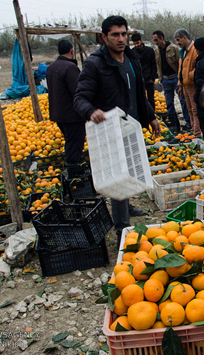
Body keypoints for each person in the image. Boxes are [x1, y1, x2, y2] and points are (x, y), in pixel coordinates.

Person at [74, 15, 161, 242]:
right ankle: (122, 228)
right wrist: (91, 111)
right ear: (104, 37)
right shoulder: (95, 64)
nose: (121, 39)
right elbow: (80, 98)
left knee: (131, 168)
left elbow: (140, 95)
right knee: (118, 175)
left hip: (130, 125)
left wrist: (151, 117)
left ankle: (126, 205)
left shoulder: (133, 59)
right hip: (110, 128)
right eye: (115, 35)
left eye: (124, 34)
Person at [45, 40, 85, 170]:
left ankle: (72, 168)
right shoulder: (70, 67)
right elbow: (77, 91)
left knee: (70, 141)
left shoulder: (51, 67)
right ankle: (73, 173)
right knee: (74, 143)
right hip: (71, 115)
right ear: (72, 51)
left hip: (58, 114)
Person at [153, 30, 181, 133]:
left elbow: (180, 63)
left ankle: (188, 123)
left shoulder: (173, 48)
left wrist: (180, 78)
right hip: (165, 79)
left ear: (162, 38)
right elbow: (157, 65)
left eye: (156, 40)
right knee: (168, 102)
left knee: (182, 100)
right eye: (154, 40)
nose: (155, 42)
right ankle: (173, 122)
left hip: (175, 77)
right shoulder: (156, 51)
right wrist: (160, 78)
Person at [174, 29, 200, 138]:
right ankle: (193, 129)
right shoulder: (183, 51)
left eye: (178, 40)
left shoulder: (193, 50)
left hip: (191, 85)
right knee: (189, 109)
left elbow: (197, 67)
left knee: (195, 109)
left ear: (185, 37)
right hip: (185, 85)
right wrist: (180, 84)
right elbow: (181, 69)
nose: (177, 43)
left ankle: (197, 133)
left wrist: (188, 76)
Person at [131, 33, 157, 111]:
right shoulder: (132, 52)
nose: (136, 45)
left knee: (150, 98)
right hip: (138, 79)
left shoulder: (149, 51)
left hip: (148, 78)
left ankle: (152, 113)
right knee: (140, 98)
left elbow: (153, 65)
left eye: (137, 43)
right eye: (134, 43)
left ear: (141, 41)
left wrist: (152, 77)